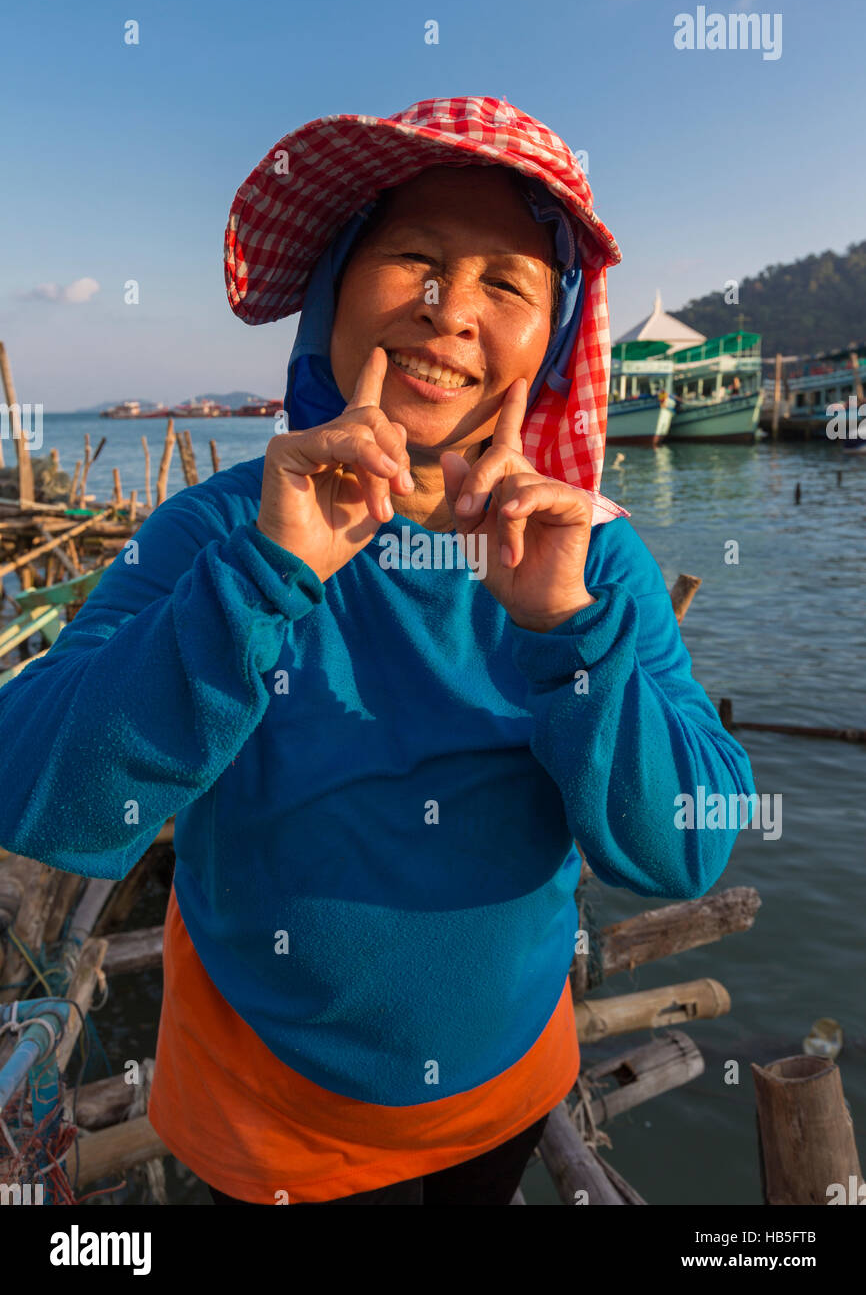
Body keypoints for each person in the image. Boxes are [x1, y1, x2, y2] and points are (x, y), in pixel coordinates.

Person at [0, 96, 756, 1206]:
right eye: (414, 259)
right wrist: (268, 574)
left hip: (501, 1092)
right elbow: (38, 792)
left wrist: (569, 634)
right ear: (334, 294)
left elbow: (685, 848)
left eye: (506, 283)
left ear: (548, 342)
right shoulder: (221, 534)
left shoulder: (589, 559)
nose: (451, 310)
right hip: (265, 1118)